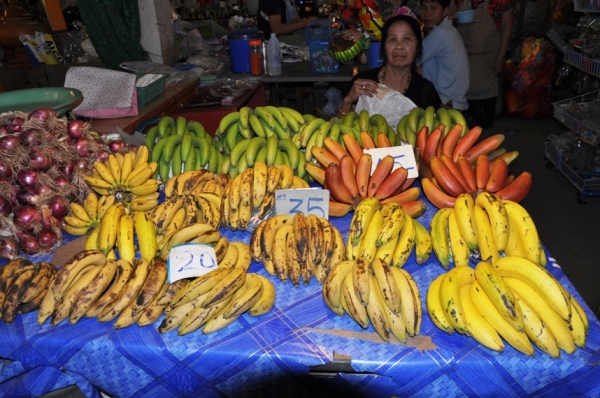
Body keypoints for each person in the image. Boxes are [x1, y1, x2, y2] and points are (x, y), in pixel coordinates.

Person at [338, 15, 442, 118]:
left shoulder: (425, 90)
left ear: (417, 48)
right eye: (392, 39)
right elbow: (340, 127)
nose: (399, 46)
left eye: (407, 39)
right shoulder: (363, 82)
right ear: (384, 47)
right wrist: (348, 101)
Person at [456, 0, 514, 127]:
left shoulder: (502, 2)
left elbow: (507, 25)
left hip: (488, 59)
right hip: (462, 56)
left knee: (483, 113)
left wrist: (501, 56)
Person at [418, 0, 470, 111]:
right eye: (424, 7)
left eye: (433, 8)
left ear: (445, 11)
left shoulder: (440, 34)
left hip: (446, 103)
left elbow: (412, 59)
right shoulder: (449, 30)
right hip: (455, 100)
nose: (427, 13)